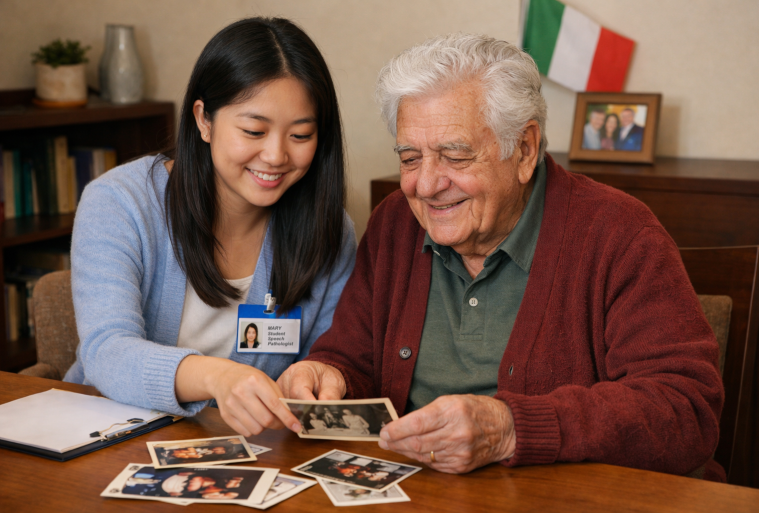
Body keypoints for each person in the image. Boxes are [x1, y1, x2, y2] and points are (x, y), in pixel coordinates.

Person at [278, 33, 724, 481]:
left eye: (455, 155)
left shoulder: (620, 234)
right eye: (410, 158)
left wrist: (511, 429)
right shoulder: (396, 222)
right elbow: (351, 360)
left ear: (524, 149)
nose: (426, 185)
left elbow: (686, 409)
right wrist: (327, 374)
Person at [63, 17, 357, 438]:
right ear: (204, 120)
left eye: (301, 135)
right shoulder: (120, 202)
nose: (275, 155)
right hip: (109, 438)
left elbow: (327, 357)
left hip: (255, 456)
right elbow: (106, 352)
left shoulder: (328, 230)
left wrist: (319, 374)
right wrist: (217, 377)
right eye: (253, 130)